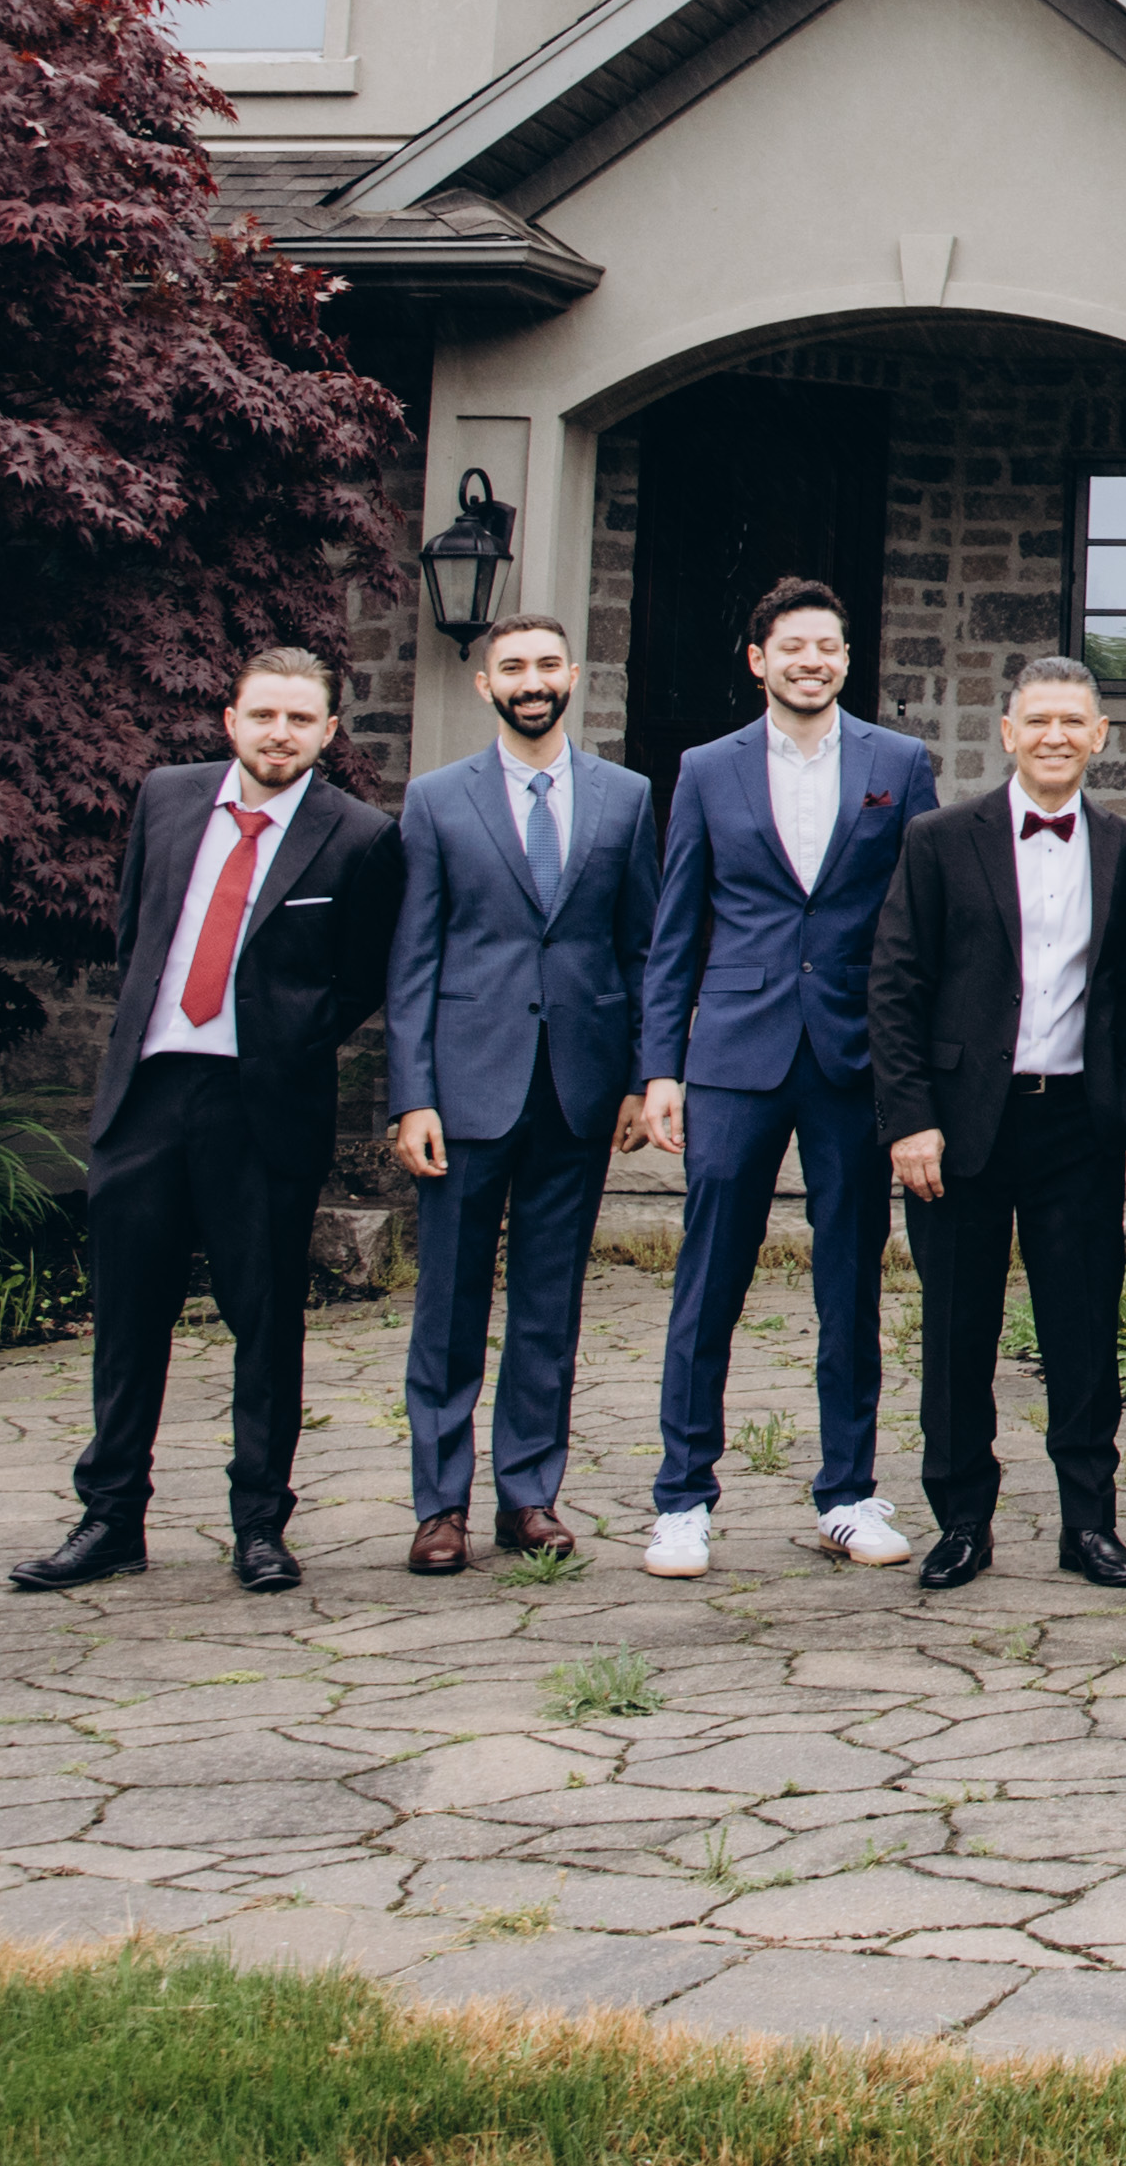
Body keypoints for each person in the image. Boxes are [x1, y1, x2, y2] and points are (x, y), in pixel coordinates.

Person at [17, 649, 406, 1596]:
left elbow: (362, 974)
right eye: (263, 713)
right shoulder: (167, 796)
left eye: (300, 718)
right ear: (230, 719)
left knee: (265, 1322)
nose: (280, 732)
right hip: (148, 1093)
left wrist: (285, 1038)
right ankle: (111, 1518)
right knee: (127, 1315)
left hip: (260, 1105)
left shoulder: (360, 836)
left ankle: (260, 1525)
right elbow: (135, 926)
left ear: (328, 731)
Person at [636, 576, 940, 1580]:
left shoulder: (899, 763)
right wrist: (661, 1065)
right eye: (793, 646)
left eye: (828, 646)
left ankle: (846, 1492)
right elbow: (676, 925)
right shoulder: (705, 768)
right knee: (709, 1276)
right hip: (735, 1052)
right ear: (758, 660)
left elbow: (920, 918)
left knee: (850, 1279)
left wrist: (916, 1069)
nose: (812, 661)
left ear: (846, 659)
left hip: (854, 1054)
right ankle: (683, 1498)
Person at [381, 610, 655, 1577]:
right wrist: (411, 1094)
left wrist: (639, 1076)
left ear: (573, 674)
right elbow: (412, 958)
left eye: (546, 664)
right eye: (513, 667)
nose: (531, 681)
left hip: (578, 1087)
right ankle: (440, 1506)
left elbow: (641, 948)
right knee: (448, 1303)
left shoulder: (626, 797)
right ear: (484, 683)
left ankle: (528, 1495)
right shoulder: (435, 799)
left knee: (549, 1301)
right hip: (465, 1087)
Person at [875, 655, 1126, 1592]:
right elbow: (895, 984)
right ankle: (962, 1521)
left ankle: (1089, 1522)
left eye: (1073, 720)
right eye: (1037, 720)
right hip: (957, 1129)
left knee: (1083, 1331)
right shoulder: (938, 839)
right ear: (1007, 732)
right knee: (958, 1331)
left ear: (1099, 735)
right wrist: (910, 1119)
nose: (1054, 736)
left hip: (1076, 1121)